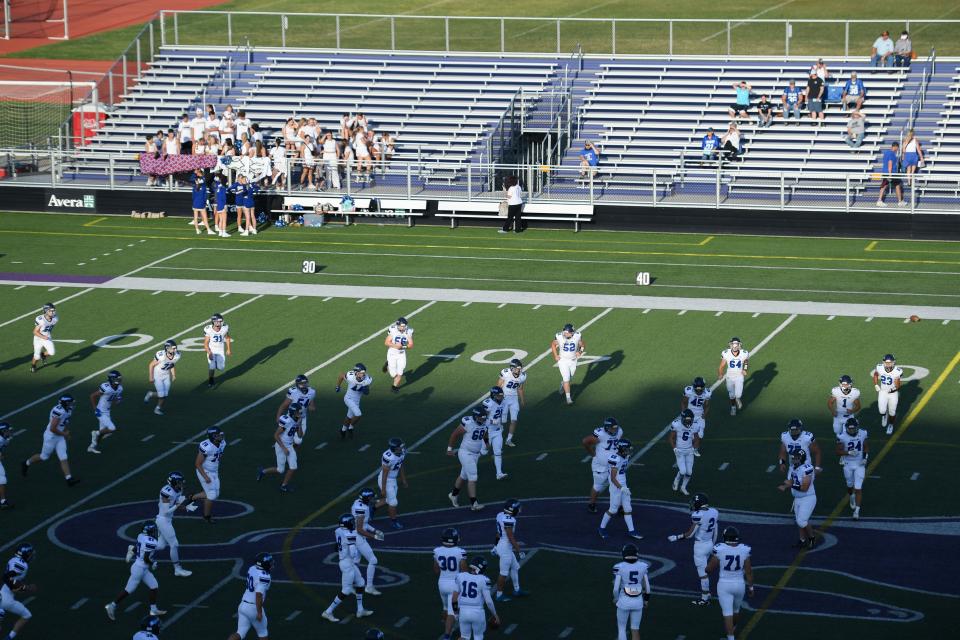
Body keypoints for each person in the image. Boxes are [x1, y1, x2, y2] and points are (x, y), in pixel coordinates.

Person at [104, 522, 168, 620]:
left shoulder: (141, 536)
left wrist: (133, 550)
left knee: (154, 586)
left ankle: (153, 609)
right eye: (153, 530)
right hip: (139, 569)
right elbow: (146, 558)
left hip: (142, 568)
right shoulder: (151, 542)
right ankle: (111, 606)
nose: (155, 532)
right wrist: (153, 563)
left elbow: (140, 548)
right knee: (129, 589)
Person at [667, 492, 718, 606]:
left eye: (695, 503)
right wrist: (713, 544)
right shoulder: (714, 512)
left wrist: (676, 537)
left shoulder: (697, 515)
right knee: (705, 571)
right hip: (709, 543)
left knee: (703, 573)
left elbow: (690, 534)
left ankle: (705, 598)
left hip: (700, 546)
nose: (693, 505)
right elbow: (715, 529)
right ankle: (707, 593)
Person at [321, 514, 374, 622]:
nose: (353, 524)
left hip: (346, 562)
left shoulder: (338, 531)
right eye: (352, 522)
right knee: (346, 590)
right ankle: (328, 611)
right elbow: (354, 553)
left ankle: (360, 610)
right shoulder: (350, 535)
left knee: (360, 583)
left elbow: (337, 545)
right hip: (347, 564)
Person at [706, 527, 753, 640]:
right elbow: (749, 571)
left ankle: (730, 637)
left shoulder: (720, 548)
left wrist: (708, 567)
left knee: (727, 613)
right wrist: (751, 587)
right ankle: (733, 628)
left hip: (724, 584)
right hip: (739, 584)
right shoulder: (744, 549)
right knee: (736, 610)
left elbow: (709, 569)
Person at [21, 395, 80, 486]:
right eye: (70, 402)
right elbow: (53, 428)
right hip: (51, 437)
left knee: (63, 457)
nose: (72, 404)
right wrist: (64, 434)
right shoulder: (59, 411)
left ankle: (69, 479)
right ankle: (26, 463)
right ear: (65, 403)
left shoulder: (68, 410)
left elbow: (63, 424)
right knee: (44, 457)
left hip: (59, 436)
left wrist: (64, 432)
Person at [153, 471, 196, 578]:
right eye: (179, 482)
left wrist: (186, 506)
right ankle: (177, 569)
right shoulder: (166, 492)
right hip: (163, 520)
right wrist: (179, 504)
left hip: (167, 520)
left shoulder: (178, 489)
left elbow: (177, 504)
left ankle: (136, 549)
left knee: (161, 546)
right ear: (173, 482)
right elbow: (166, 511)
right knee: (174, 544)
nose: (181, 484)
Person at [599, 439, 643, 540]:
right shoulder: (615, 459)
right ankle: (601, 528)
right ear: (622, 449)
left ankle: (632, 531)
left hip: (623, 486)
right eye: (627, 449)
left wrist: (624, 487)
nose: (629, 451)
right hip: (616, 487)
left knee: (628, 509)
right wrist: (621, 487)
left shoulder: (625, 455)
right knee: (613, 510)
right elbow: (613, 478)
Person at [447, 406, 488, 511]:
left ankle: (454, 495)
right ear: (475, 416)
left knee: (463, 476)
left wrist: (486, 443)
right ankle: (474, 504)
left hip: (475, 454)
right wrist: (449, 449)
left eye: (484, 418)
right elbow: (454, 435)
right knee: (473, 477)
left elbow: (484, 433)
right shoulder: (468, 423)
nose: (483, 419)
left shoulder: (485, 422)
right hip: (465, 453)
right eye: (480, 418)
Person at [256, 403, 303, 493]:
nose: (300, 413)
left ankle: (284, 485)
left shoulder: (297, 420)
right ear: (293, 412)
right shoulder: (287, 420)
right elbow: (276, 435)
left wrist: (299, 425)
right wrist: (284, 448)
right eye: (298, 412)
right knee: (280, 470)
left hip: (289, 446)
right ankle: (262, 471)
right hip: (281, 446)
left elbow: (300, 436)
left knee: (293, 467)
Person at [227, 553, 273, 640]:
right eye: (270, 562)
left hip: (243, 605)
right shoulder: (264, 576)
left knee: (240, 633)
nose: (271, 564)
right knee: (263, 634)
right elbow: (258, 595)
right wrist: (259, 613)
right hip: (253, 607)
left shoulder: (252, 568)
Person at [779, 449, 819, 548]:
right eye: (793, 457)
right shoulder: (793, 468)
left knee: (802, 521)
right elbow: (792, 481)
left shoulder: (807, 468)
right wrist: (785, 486)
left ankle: (812, 538)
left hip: (807, 498)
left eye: (797, 458)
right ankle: (802, 540)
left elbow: (804, 488)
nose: (794, 459)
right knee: (798, 521)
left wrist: (791, 484)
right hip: (797, 498)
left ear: (802, 458)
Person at [452, 557, 499, 640]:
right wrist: (495, 614)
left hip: (463, 612)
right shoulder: (484, 580)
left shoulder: (461, 576)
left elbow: (454, 598)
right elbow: (489, 602)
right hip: (477, 612)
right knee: (478, 637)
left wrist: (456, 613)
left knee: (464, 637)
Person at [584, 417, 623, 514]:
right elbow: (585, 441)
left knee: (617, 484)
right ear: (606, 428)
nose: (615, 430)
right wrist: (592, 454)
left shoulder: (619, 431)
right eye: (612, 428)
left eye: (615, 427)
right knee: (598, 486)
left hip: (614, 464)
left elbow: (617, 444)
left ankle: (619, 506)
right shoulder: (600, 434)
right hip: (600, 466)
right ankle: (591, 504)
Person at [434, 528, 467, 640]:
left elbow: (436, 570)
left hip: (442, 583)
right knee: (453, 612)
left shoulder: (437, 551)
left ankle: (446, 624)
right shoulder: (460, 552)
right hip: (455, 585)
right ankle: (447, 635)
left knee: (445, 607)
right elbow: (463, 570)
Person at [612, 543, 650, 640]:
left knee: (621, 629)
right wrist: (646, 600)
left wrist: (616, 598)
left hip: (624, 600)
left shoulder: (619, 567)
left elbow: (616, 588)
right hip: (638, 601)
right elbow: (647, 587)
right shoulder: (643, 566)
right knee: (635, 629)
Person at [351, 488, 385, 596]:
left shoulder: (358, 503)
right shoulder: (361, 509)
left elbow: (364, 525)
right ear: (367, 498)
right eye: (370, 498)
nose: (372, 499)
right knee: (373, 560)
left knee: (355, 561)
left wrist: (374, 530)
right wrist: (374, 536)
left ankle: (349, 585)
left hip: (355, 534)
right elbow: (360, 529)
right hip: (358, 537)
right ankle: (369, 587)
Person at [493, 499, 528, 602]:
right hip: (505, 548)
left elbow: (498, 533)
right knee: (503, 573)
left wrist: (495, 546)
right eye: (518, 508)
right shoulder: (509, 520)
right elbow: (510, 537)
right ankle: (499, 595)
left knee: (515, 567)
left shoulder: (500, 515)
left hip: (502, 545)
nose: (519, 510)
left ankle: (517, 590)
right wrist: (519, 550)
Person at [836, 417, 869, 520]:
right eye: (850, 429)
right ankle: (851, 496)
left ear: (857, 427)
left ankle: (857, 512)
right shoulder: (842, 436)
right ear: (846, 428)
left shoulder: (863, 433)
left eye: (853, 428)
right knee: (850, 485)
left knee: (858, 487)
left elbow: (866, 447)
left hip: (859, 464)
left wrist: (865, 458)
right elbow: (838, 452)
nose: (852, 430)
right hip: (848, 463)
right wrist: (848, 452)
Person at [1, 543, 36, 638]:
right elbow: (10, 582)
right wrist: (27, 588)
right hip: (7, 599)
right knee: (27, 615)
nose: (31, 555)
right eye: (29, 553)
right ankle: (9, 638)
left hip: (3, 592)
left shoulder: (14, 559)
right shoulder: (21, 564)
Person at [194, 427, 226, 523]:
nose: (221, 436)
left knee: (216, 494)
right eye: (218, 435)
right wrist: (205, 477)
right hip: (204, 471)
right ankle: (206, 516)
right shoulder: (206, 446)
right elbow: (197, 464)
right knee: (211, 495)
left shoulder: (223, 443)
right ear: (213, 436)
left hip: (214, 471)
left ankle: (191, 498)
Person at [88, 370, 124, 454]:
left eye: (119, 378)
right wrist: (95, 409)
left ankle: (91, 447)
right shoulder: (106, 387)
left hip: (107, 412)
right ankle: (94, 433)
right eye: (117, 379)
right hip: (100, 411)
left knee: (102, 434)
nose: (119, 380)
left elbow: (114, 399)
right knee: (112, 428)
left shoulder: (120, 388)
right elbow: (92, 396)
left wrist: (118, 400)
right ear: (112, 379)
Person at [376, 437, 408, 529]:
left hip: (393, 479)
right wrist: (383, 488)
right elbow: (385, 473)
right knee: (393, 502)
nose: (402, 448)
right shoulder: (388, 457)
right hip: (386, 479)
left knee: (389, 500)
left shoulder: (401, 453)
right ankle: (394, 521)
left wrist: (403, 479)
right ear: (394, 448)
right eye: (400, 447)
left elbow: (400, 465)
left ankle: (373, 508)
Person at [277, 374, 316, 446]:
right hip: (291, 416)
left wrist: (311, 408)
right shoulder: (293, 391)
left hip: (302, 417)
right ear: (297, 384)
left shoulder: (312, 392)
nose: (304, 385)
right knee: (285, 434)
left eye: (305, 383)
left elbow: (312, 406)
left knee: (298, 440)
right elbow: (284, 405)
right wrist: (278, 416)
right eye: (301, 384)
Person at [668, 410, 700, 496]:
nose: (688, 422)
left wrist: (695, 448)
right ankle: (676, 481)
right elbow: (671, 438)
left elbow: (697, 438)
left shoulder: (695, 425)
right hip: (680, 451)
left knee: (689, 472)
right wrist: (674, 448)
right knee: (682, 471)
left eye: (690, 420)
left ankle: (683, 487)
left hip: (689, 451)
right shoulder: (677, 424)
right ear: (682, 419)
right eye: (687, 420)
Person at [336, 363, 372, 440]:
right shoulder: (350, 376)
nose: (362, 375)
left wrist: (366, 390)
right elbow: (341, 375)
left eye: (363, 373)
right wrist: (338, 386)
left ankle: (343, 430)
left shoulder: (367, 379)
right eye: (360, 373)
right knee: (358, 414)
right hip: (348, 398)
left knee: (349, 417)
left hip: (356, 401)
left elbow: (367, 392)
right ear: (356, 372)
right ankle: (350, 428)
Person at [551, 323, 585, 405]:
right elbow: (553, 344)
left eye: (568, 333)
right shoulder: (559, 336)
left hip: (573, 360)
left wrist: (580, 351)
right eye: (565, 332)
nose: (566, 334)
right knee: (567, 378)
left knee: (570, 377)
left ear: (572, 333)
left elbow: (582, 344)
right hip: (563, 360)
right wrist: (556, 355)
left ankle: (563, 383)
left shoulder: (577, 335)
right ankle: (568, 398)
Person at [145, 340, 180, 416]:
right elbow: (151, 365)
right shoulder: (161, 355)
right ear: (167, 348)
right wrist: (151, 377)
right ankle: (157, 409)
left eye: (175, 348)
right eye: (173, 348)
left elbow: (171, 364)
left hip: (166, 375)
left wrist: (173, 375)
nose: (175, 350)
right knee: (162, 395)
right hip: (157, 375)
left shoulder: (177, 355)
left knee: (165, 395)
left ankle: (151, 394)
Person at [480, 387, 508, 479]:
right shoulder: (488, 403)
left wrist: (502, 419)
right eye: (499, 395)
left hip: (498, 431)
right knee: (483, 452)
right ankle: (467, 464)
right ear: (494, 395)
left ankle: (499, 473)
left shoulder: (503, 402)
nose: (501, 397)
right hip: (488, 431)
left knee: (498, 452)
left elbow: (503, 413)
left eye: (501, 395)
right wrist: (493, 422)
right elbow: (482, 419)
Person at [497, 359, 526, 447]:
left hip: (514, 399)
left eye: (520, 368)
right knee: (503, 421)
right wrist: (498, 398)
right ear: (512, 368)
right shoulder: (505, 373)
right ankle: (496, 435)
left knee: (514, 420)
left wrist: (522, 400)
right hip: (504, 398)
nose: (519, 370)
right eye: (518, 368)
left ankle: (508, 439)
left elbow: (520, 388)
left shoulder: (523, 376)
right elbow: (498, 386)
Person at [718, 337, 749, 415]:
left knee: (738, 394)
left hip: (739, 376)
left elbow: (746, 361)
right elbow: (721, 365)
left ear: (739, 345)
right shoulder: (726, 353)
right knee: (731, 395)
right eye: (733, 344)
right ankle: (733, 408)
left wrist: (745, 369)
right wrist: (721, 374)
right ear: (730, 345)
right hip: (730, 376)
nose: (735, 346)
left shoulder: (744, 353)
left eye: (736, 345)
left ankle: (738, 399)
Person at [873, 353, 902, 435]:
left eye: (890, 362)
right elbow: (875, 374)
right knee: (881, 411)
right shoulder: (880, 367)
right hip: (883, 391)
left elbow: (898, 384)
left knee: (892, 412)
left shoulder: (897, 371)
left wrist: (894, 389)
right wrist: (876, 384)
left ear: (893, 362)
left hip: (893, 393)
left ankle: (891, 425)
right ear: (883, 362)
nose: (888, 364)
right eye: (886, 362)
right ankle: (884, 415)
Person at [383, 316, 413, 392]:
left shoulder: (408, 331)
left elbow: (411, 345)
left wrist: (403, 346)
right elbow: (386, 342)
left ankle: (394, 387)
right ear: (398, 325)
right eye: (402, 326)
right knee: (393, 374)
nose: (403, 328)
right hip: (392, 353)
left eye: (404, 326)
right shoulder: (393, 330)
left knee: (400, 372)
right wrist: (396, 346)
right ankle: (388, 366)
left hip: (402, 354)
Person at [203, 313, 232, 388]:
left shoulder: (224, 328)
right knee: (212, 366)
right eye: (217, 321)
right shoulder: (208, 329)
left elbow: (228, 338)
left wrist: (228, 349)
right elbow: (206, 343)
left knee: (221, 368)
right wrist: (209, 352)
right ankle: (211, 380)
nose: (219, 323)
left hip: (220, 350)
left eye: (220, 321)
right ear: (213, 322)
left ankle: (216, 363)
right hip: (212, 349)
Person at [30, 302, 58, 372]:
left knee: (52, 352)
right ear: (46, 311)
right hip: (38, 338)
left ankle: (43, 355)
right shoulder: (40, 319)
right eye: (50, 311)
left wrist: (46, 336)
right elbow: (35, 332)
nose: (52, 312)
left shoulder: (55, 318)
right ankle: (33, 366)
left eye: (53, 310)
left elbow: (49, 327)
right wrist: (43, 337)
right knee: (37, 356)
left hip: (47, 337)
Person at [877, 142, 904, 207]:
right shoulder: (892, 154)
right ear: (895, 147)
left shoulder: (886, 152)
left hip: (889, 172)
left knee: (897, 185)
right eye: (897, 148)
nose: (898, 149)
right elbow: (890, 163)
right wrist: (889, 174)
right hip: (890, 173)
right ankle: (879, 201)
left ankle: (900, 201)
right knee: (884, 186)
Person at [190, 169, 214, 235]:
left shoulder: (195, 186)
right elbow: (205, 195)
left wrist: (195, 173)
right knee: (205, 217)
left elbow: (192, 179)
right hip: (201, 202)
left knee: (195, 217)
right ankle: (208, 230)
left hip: (195, 202)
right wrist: (197, 172)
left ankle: (197, 230)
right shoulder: (203, 185)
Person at [0, 422, 12, 509]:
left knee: (2, 478)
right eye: (7, 430)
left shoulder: (3, 438)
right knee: (2, 478)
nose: (9, 432)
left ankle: (3, 501)